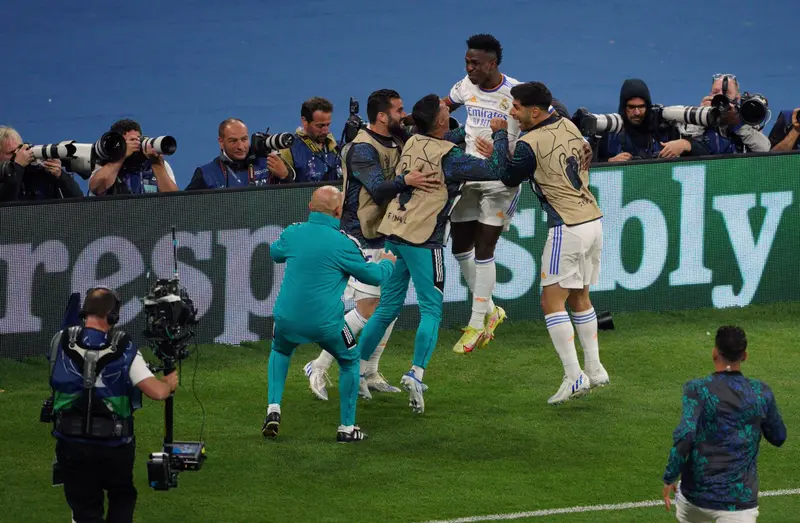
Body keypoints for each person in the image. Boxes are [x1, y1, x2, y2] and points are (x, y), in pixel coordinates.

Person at [356, 94, 509, 414]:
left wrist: (470, 128)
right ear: (440, 121)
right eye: (446, 112)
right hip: (424, 241)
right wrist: (498, 132)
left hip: (394, 234)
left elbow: (452, 135)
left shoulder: (412, 141)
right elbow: (497, 169)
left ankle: (356, 370)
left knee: (386, 309)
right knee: (431, 311)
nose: (448, 113)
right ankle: (416, 373)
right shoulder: (451, 159)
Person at [303, 89, 437, 401]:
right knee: (367, 310)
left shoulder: (398, 138)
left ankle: (370, 371)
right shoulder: (361, 149)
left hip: (389, 233)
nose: (403, 115)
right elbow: (378, 190)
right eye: (398, 110)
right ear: (381, 115)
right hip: (361, 236)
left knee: (386, 308)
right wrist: (408, 181)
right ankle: (318, 364)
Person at [501, 81, 609, 405]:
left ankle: (574, 376)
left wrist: (496, 137)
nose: (512, 112)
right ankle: (595, 368)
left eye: (517, 107)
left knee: (551, 302)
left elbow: (507, 176)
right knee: (580, 296)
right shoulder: (569, 124)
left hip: (567, 226)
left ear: (534, 111)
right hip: (593, 220)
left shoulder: (528, 143)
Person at [263, 185, 396, 442]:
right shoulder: (345, 243)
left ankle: (273, 409)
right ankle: (347, 428)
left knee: (280, 350)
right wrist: (388, 265)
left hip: (286, 320)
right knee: (349, 358)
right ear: (339, 211)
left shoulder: (293, 232)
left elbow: (275, 252)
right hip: (327, 324)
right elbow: (372, 275)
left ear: (310, 208)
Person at [48, 287, 178, 523]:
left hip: (70, 443)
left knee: (85, 510)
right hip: (114, 446)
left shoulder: (60, 340)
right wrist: (169, 384)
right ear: (112, 315)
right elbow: (157, 393)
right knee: (122, 497)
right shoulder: (124, 346)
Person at [443, 34, 520, 354]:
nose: (469, 68)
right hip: (469, 175)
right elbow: (444, 105)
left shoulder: (516, 92)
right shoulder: (466, 85)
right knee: (460, 248)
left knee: (485, 248)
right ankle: (491, 311)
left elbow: (549, 115)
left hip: (500, 181)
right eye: (467, 62)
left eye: (475, 64)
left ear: (492, 64)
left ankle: (476, 324)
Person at [662, 326, 787, 522]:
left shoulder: (697, 389)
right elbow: (779, 437)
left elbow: (686, 434)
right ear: (744, 356)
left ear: (714, 353)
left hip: (696, 497)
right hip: (739, 502)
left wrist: (670, 476)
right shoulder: (760, 393)